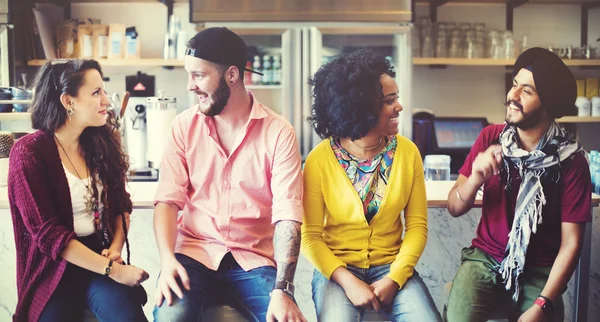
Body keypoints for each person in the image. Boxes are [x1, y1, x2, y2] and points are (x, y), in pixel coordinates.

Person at [152, 27, 307, 322]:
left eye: (198, 75)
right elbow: (167, 202)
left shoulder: (279, 132)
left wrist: (283, 289)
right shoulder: (184, 126)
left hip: (253, 261)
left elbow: (288, 215)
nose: (190, 86)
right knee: (170, 318)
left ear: (232, 75)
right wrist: (167, 259)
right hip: (194, 255)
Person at [446, 47, 592, 322]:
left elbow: (571, 244)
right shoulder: (491, 137)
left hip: (538, 269)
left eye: (526, 91)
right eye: (514, 85)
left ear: (547, 102)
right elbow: (454, 206)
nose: (512, 96)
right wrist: (475, 177)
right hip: (484, 259)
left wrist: (542, 305)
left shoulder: (572, 161)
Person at [301, 49, 442, 322]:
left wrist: (395, 278)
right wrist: (347, 281)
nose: (399, 107)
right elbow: (310, 238)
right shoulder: (319, 160)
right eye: (389, 101)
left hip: (392, 267)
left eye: (396, 98)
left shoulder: (408, 153)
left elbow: (417, 227)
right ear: (361, 109)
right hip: (338, 270)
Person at [8, 59, 149, 322]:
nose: (106, 100)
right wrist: (114, 271)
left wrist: (115, 248)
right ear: (68, 101)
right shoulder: (29, 152)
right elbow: (49, 236)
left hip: (98, 261)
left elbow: (121, 206)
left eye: (103, 91)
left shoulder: (101, 142)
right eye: (96, 93)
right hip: (52, 269)